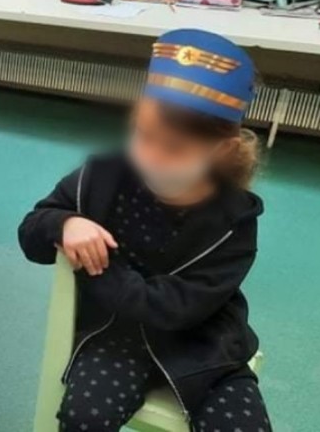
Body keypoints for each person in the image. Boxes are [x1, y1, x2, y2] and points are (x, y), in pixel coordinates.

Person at [18, 29, 270, 432]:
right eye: (143, 135)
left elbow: (174, 308)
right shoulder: (102, 176)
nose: (150, 157)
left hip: (205, 348)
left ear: (221, 151)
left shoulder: (235, 221)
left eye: (173, 148)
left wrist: (98, 270)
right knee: (85, 418)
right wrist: (64, 223)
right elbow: (32, 232)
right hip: (114, 337)